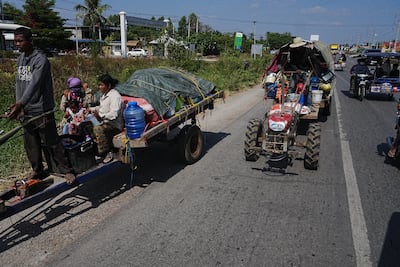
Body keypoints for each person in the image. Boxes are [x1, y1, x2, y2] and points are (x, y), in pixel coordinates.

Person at [7, 27, 76, 184]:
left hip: (41, 109)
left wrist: (21, 103)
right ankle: (37, 170)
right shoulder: (21, 58)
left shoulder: (40, 59)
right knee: (31, 144)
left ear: (30, 40)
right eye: (15, 41)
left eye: (20, 41)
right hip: (26, 109)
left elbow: (35, 84)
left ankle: (66, 170)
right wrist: (19, 105)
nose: (17, 44)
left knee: (51, 141)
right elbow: (19, 83)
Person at [89, 74, 124, 163]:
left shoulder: (115, 96)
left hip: (114, 125)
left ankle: (107, 152)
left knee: (98, 129)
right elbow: (101, 108)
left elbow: (114, 114)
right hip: (105, 122)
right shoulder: (104, 95)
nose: (99, 87)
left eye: (101, 85)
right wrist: (90, 110)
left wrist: (101, 115)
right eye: (99, 85)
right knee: (86, 125)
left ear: (108, 85)